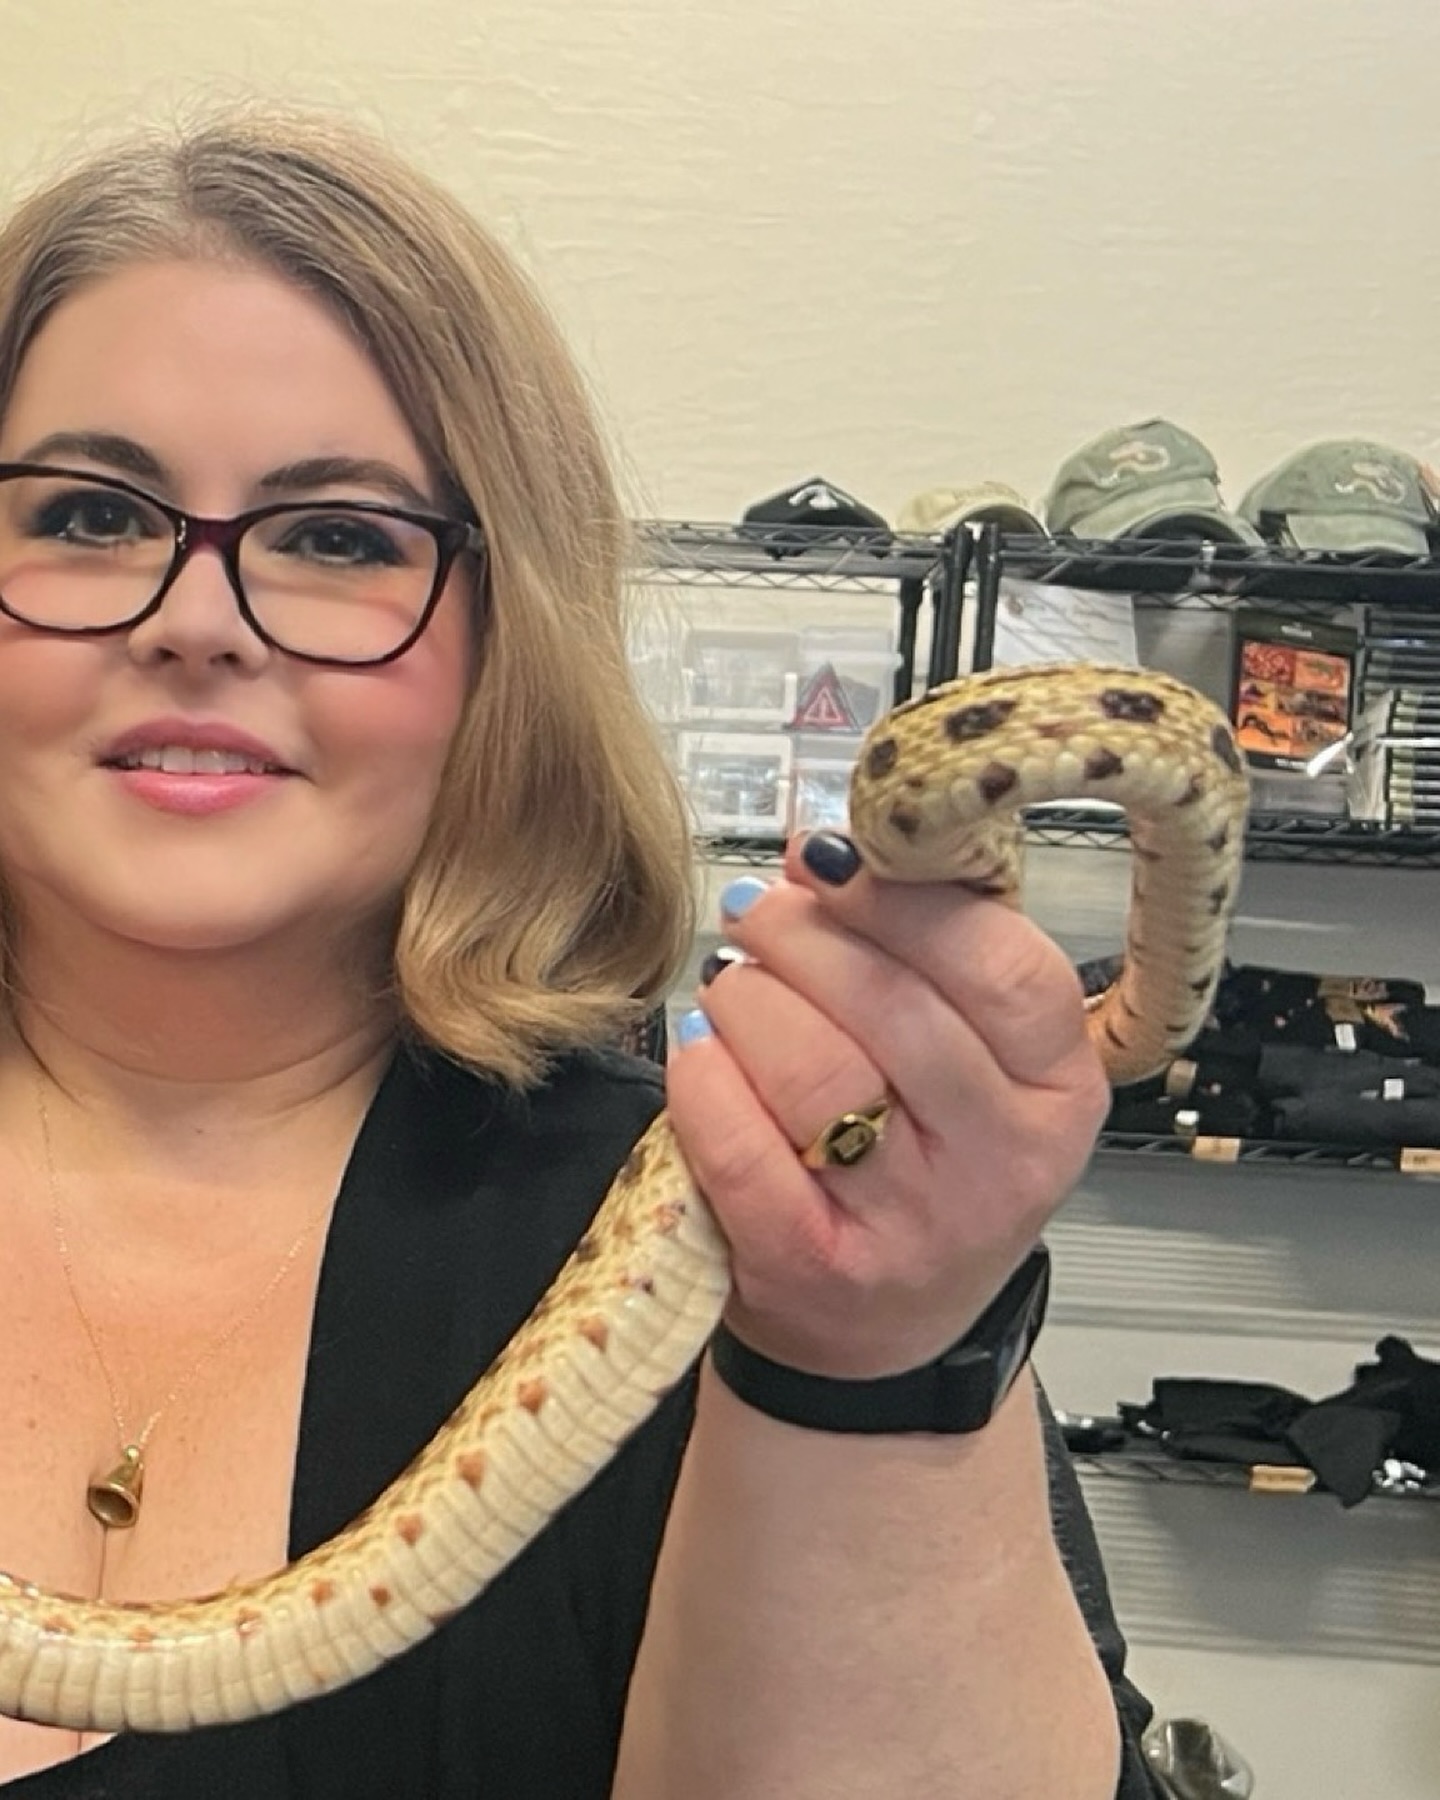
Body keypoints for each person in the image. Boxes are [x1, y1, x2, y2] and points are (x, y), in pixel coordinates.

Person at [0, 106, 1162, 1797]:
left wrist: (880, 1350)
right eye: (90, 514)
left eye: (340, 538)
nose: (196, 621)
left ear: (505, 640)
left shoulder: (748, 1235)